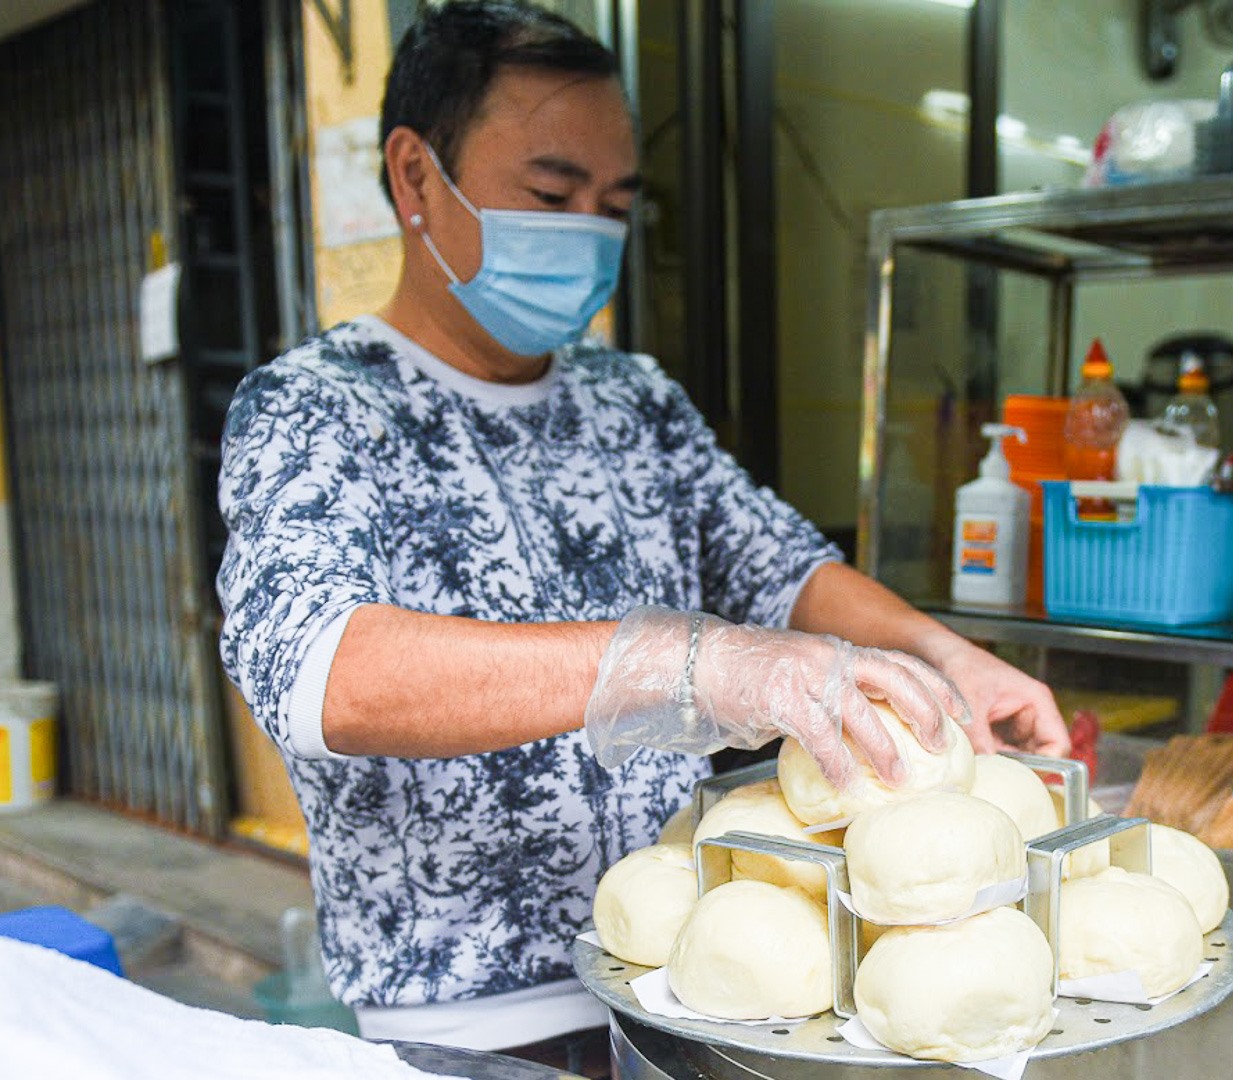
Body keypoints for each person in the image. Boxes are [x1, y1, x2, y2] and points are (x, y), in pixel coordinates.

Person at [216, 2, 1067, 1072]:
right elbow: (319, 672)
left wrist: (939, 657)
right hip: (476, 1027)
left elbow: (778, 564)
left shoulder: (632, 401)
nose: (585, 229)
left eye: (614, 203)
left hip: (696, 984)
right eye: (548, 192)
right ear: (415, 177)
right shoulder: (319, 410)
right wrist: (685, 666)